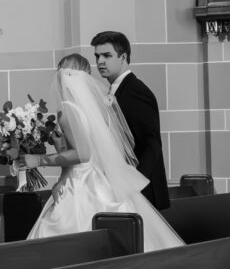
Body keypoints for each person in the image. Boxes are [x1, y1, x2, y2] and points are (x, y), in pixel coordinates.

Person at [25, 55, 183, 252]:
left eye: (61, 72)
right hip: (99, 179)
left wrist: (40, 160)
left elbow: (82, 155)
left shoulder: (66, 109)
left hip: (83, 185)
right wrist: (61, 179)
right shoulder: (96, 108)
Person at [91, 31, 170, 210]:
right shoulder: (115, 91)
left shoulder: (135, 91)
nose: (100, 61)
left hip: (140, 191)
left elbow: (152, 145)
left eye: (107, 55)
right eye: (97, 56)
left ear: (123, 57)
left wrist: (133, 185)